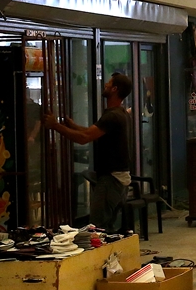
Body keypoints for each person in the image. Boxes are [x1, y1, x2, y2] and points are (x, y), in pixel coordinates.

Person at [44, 73, 133, 232]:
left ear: (114, 89)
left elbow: (85, 138)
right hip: (117, 178)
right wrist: (72, 126)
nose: (105, 84)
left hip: (110, 179)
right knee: (107, 227)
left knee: (98, 228)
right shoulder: (119, 113)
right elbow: (91, 132)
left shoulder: (112, 116)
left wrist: (55, 126)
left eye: (109, 83)